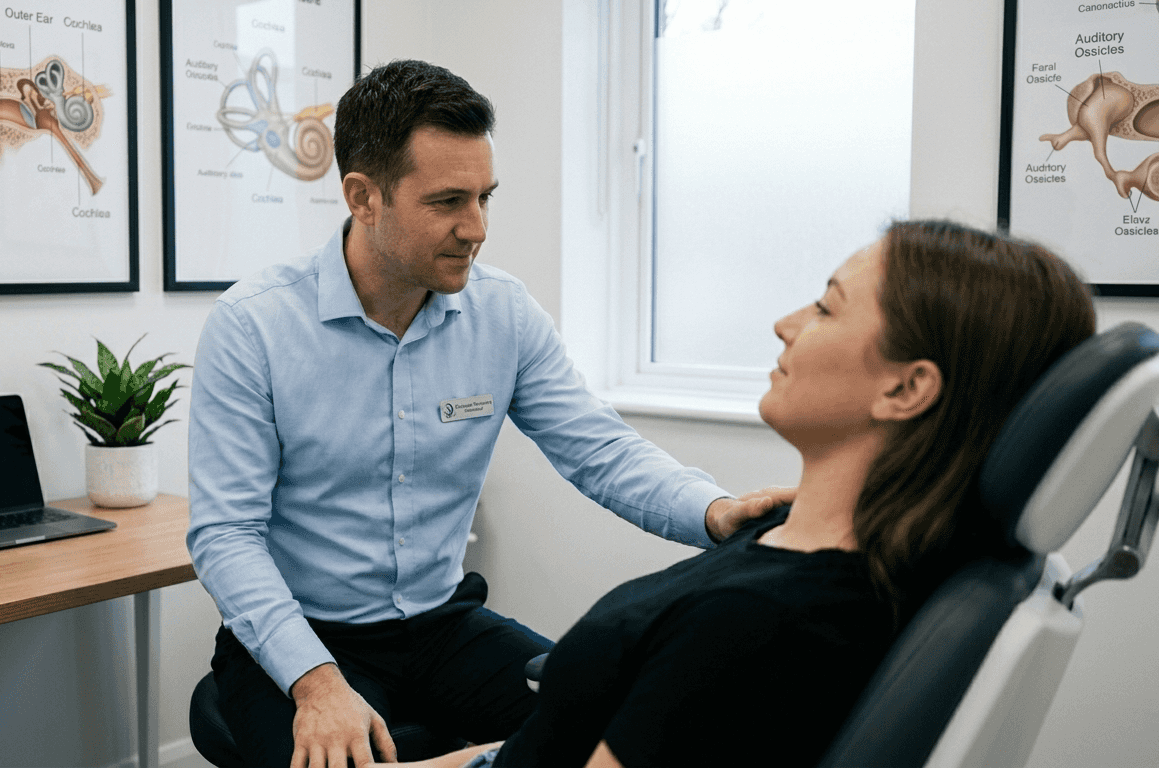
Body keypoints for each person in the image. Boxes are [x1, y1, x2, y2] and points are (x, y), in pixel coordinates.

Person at [187, 59, 788, 768]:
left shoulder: (502, 313)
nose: (476, 228)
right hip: (310, 638)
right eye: (447, 201)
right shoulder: (254, 326)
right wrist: (317, 685)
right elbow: (226, 534)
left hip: (444, 626)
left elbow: (599, 449)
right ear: (363, 197)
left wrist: (715, 511)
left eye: (484, 198)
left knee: (619, 730)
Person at [384, 220, 1097, 768]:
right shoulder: (830, 541)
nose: (786, 323)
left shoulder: (756, 625)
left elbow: (597, 448)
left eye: (825, 307)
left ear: (907, 389)